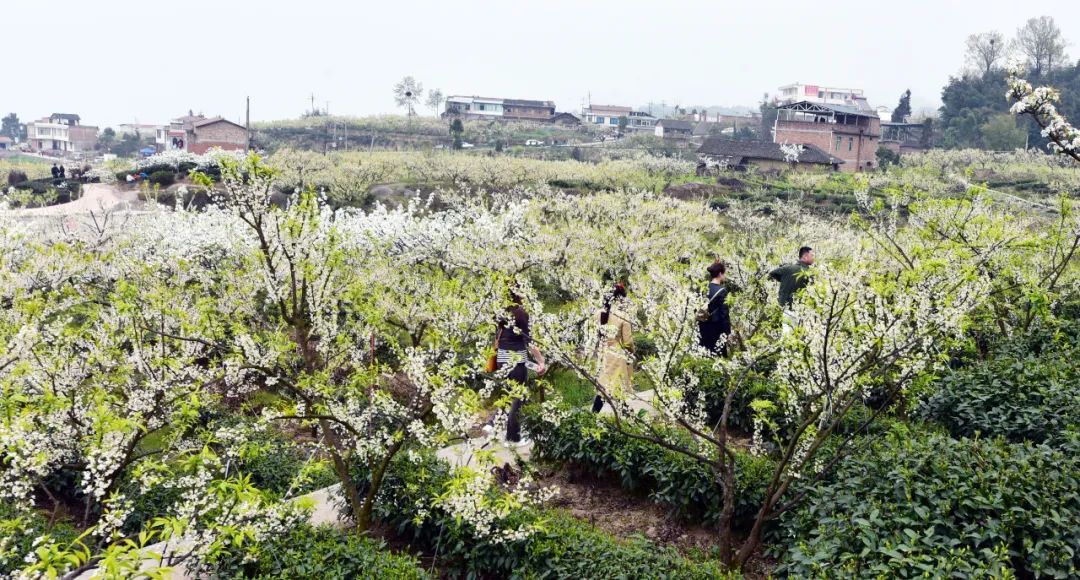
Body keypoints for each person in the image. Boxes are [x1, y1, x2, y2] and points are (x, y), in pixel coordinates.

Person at [496, 291, 545, 445]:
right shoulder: (520, 313)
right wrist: (540, 360)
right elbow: (528, 341)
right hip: (516, 360)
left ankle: (507, 433)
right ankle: (513, 438)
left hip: (502, 360)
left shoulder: (501, 311)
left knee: (510, 396)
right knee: (517, 398)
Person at [592, 282, 634, 413]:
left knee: (605, 387)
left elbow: (594, 335)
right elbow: (628, 342)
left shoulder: (598, 314)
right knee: (616, 387)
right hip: (617, 354)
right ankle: (629, 416)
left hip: (603, 352)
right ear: (620, 298)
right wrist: (632, 354)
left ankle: (626, 415)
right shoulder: (623, 316)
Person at [698, 261, 731, 355]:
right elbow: (724, 314)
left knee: (705, 353)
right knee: (718, 354)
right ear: (720, 274)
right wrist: (727, 332)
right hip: (717, 328)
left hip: (703, 325)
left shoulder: (703, 288)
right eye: (724, 273)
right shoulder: (721, 291)